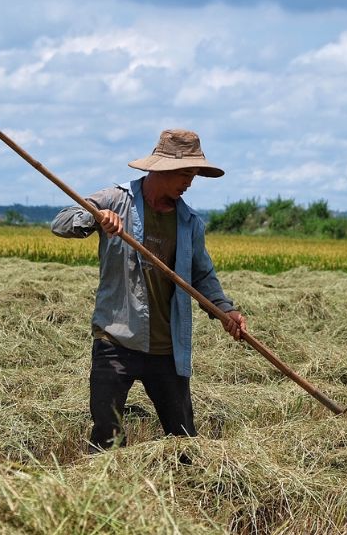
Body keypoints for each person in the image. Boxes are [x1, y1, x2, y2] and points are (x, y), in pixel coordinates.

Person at [51, 128, 247, 452]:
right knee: (106, 438)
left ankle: (185, 496)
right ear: (160, 169)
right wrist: (97, 219)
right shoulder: (115, 200)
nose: (189, 183)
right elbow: (61, 222)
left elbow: (203, 275)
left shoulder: (189, 222)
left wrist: (225, 311)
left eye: (193, 175)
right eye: (184, 174)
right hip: (116, 337)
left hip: (166, 347)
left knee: (184, 440)